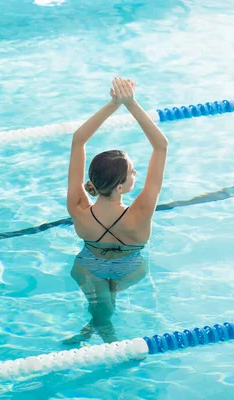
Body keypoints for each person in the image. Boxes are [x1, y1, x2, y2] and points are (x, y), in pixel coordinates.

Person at [63, 77, 168, 344]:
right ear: (120, 187)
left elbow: (78, 141)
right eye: (132, 172)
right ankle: (112, 346)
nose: (136, 173)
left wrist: (113, 104)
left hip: (86, 268)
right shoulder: (140, 213)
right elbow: (161, 146)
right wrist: (130, 103)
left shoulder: (77, 208)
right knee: (106, 317)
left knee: (102, 310)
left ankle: (92, 327)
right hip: (129, 270)